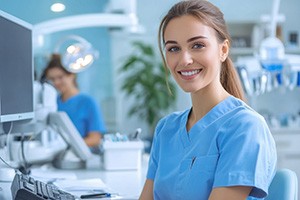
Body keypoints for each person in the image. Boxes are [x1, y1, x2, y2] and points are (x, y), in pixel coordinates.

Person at [140, 1, 277, 200]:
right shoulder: (166, 129)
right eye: (173, 49)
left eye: (197, 45)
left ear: (223, 50)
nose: (184, 59)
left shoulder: (245, 127)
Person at [41, 54, 106, 149]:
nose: (56, 83)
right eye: (52, 79)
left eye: (60, 77)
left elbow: (95, 139)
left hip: (82, 158)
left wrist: (67, 146)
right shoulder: (52, 103)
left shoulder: (87, 102)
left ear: (72, 74)